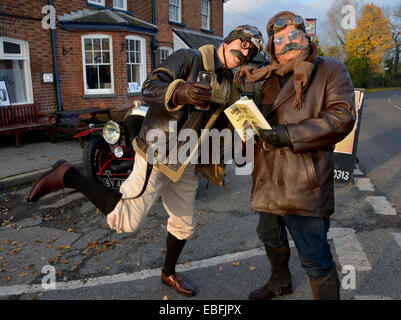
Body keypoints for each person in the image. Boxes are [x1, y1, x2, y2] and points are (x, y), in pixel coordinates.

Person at [27, 25, 263, 297]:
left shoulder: (226, 80)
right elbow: (150, 86)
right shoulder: (189, 57)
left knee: (183, 224)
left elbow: (237, 115)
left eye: (252, 51)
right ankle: (67, 175)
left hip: (186, 160)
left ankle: (168, 273)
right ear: (229, 40)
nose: (245, 53)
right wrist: (179, 92)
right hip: (159, 150)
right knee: (125, 222)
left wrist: (258, 132)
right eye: (243, 45)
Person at [236, 11, 356, 300]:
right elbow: (258, 125)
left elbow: (342, 117)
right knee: (269, 236)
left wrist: (290, 134)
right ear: (272, 48)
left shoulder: (330, 69)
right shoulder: (266, 76)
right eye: (279, 39)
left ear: (306, 36)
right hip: (268, 177)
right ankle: (280, 283)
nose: (287, 42)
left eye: (293, 35)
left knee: (314, 257)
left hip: (305, 181)